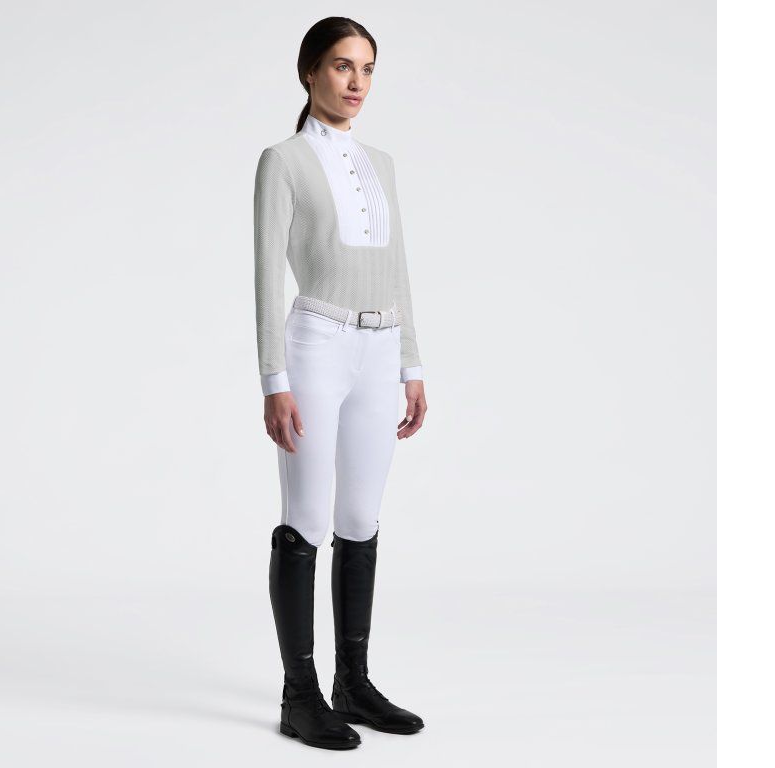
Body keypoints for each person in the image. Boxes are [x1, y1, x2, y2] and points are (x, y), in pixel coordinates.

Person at [254, 17, 429, 750]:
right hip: (317, 345)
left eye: (367, 68)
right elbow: (266, 275)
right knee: (307, 517)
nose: (356, 82)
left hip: (380, 347)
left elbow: (398, 269)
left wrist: (411, 364)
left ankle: (351, 682)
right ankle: (300, 695)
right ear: (310, 72)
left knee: (360, 516)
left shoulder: (380, 163)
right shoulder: (284, 161)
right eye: (341, 66)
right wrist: (274, 378)